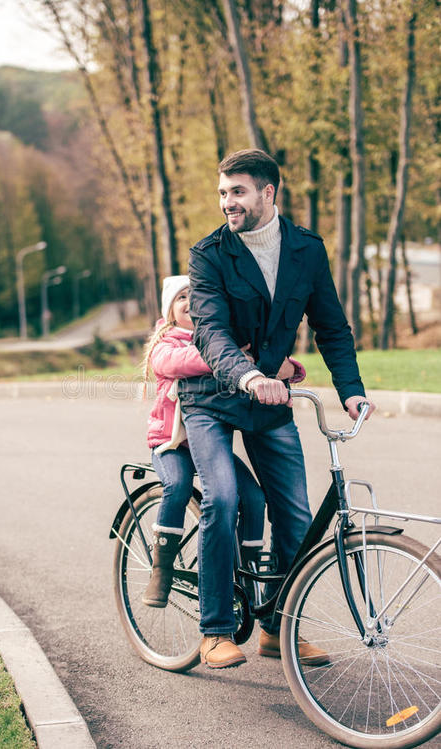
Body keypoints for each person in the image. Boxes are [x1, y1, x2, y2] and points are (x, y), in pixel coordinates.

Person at [179, 148, 376, 669]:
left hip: (270, 404)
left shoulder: (306, 250)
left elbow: (331, 326)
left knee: (294, 516)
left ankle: (278, 629)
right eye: (222, 192)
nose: (227, 203)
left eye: (237, 191)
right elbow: (209, 330)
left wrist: (351, 389)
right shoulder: (209, 255)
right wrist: (248, 375)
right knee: (222, 497)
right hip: (214, 400)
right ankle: (216, 631)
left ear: (269, 192)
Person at [141, 274, 306, 611]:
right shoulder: (167, 343)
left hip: (209, 442)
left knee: (254, 497)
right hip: (172, 444)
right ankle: (162, 568)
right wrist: (221, 357)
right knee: (178, 485)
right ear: (170, 310)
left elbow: (255, 360)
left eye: (197, 296)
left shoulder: (222, 338)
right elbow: (177, 363)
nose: (190, 302)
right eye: (182, 298)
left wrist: (290, 369)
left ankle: (246, 572)